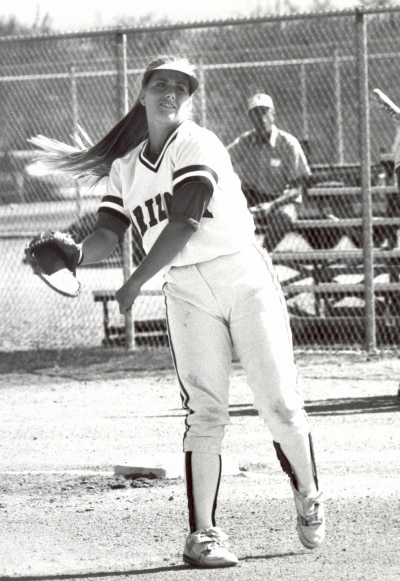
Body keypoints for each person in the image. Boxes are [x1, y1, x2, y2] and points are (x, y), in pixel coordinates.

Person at [28, 56, 326, 568]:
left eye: (182, 88)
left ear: (189, 100)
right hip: (186, 290)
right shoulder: (125, 168)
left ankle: (309, 493)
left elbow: (184, 222)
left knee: (279, 404)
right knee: (204, 413)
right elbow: (108, 234)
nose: (171, 92)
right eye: (161, 84)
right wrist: (75, 253)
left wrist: (134, 283)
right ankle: (203, 534)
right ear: (142, 94)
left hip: (243, 276)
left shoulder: (197, 142)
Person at [228, 93, 311, 251]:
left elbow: (297, 188)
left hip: (282, 200)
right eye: (256, 113)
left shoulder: (288, 144)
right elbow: (220, 159)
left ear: (273, 115)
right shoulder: (245, 141)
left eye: (265, 112)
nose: (261, 118)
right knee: (222, 210)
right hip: (253, 197)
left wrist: (271, 206)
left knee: (284, 216)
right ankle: (234, 256)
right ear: (250, 118)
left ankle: (262, 255)